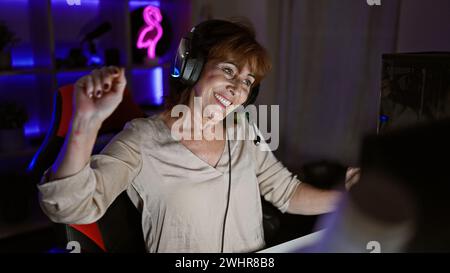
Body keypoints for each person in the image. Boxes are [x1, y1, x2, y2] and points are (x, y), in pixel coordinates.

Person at [38, 19, 359, 253]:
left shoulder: (245, 128)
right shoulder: (142, 139)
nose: (237, 89)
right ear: (190, 67)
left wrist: (349, 198)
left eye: (248, 82)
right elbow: (71, 208)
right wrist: (86, 122)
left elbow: (285, 192)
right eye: (229, 71)